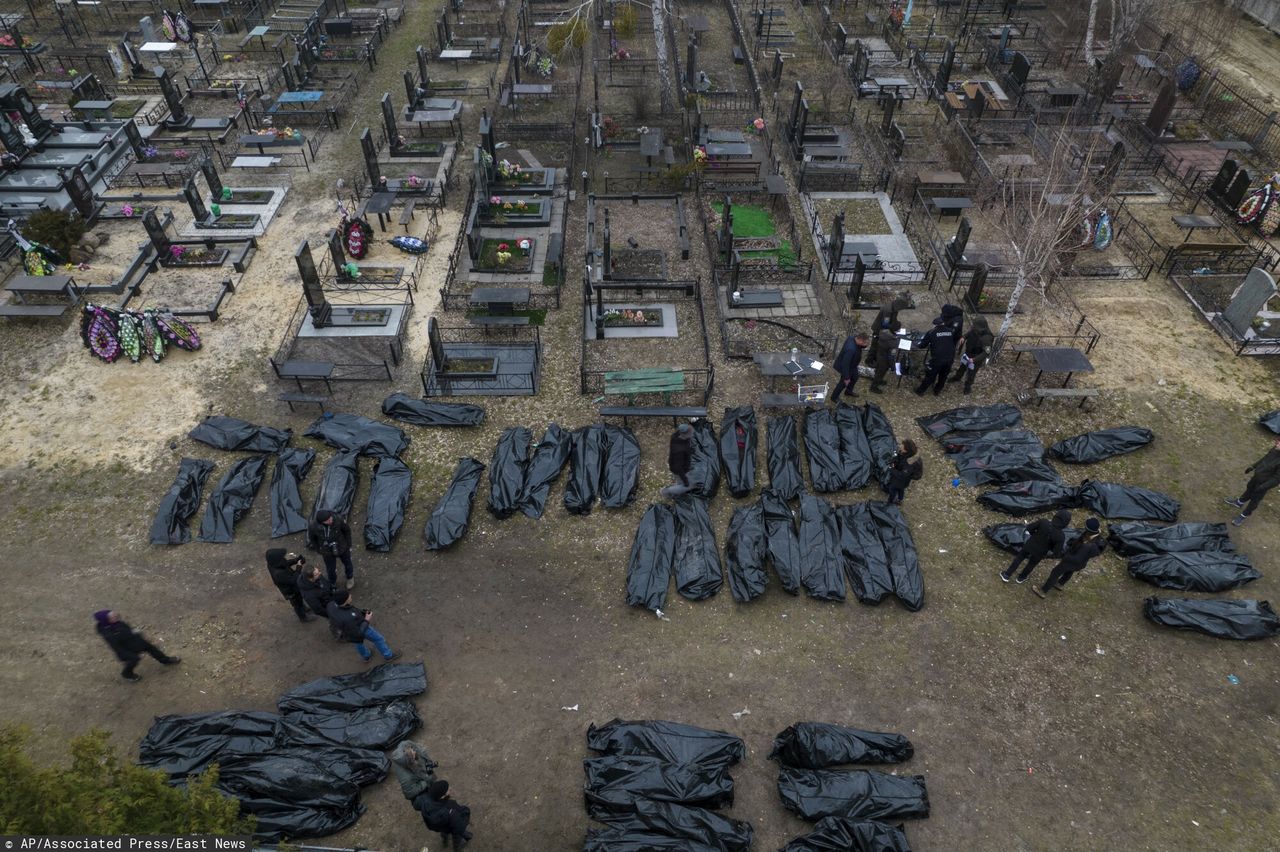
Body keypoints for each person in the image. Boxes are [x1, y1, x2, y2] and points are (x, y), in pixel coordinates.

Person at [94, 610, 180, 682]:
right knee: (133, 660)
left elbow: (127, 629)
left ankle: (165, 660)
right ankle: (127, 674)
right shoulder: (109, 634)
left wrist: (135, 633)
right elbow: (117, 647)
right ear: (106, 620)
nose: (116, 616)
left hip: (136, 641)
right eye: (112, 617)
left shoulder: (117, 623)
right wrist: (128, 655)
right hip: (127, 649)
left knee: (152, 649)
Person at [1033, 519, 1105, 598]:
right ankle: (1060, 584)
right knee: (1069, 572)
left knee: (1055, 573)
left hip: (1071, 561)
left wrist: (1065, 557)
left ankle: (1043, 591)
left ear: (1088, 530)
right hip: (1080, 564)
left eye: (1086, 527)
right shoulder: (1096, 537)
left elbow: (1077, 558)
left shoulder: (1088, 546)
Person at [327, 587, 400, 663]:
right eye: (349, 596)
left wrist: (361, 612)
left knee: (358, 643)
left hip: (348, 633)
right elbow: (359, 632)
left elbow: (349, 610)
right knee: (378, 639)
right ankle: (388, 655)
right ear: (345, 601)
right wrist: (366, 620)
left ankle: (366, 656)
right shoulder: (348, 617)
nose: (351, 596)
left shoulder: (331, 605)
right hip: (360, 628)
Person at [1000, 509, 1071, 584]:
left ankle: (1007, 575)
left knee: (1019, 558)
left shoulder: (1044, 522)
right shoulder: (1061, 536)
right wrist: (1049, 549)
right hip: (1041, 552)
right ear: (1066, 523)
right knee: (1031, 564)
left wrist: (1034, 534)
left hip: (1030, 544)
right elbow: (1056, 551)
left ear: (1056, 516)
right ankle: (1021, 578)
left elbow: (1029, 528)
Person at [1225, 437, 1280, 526]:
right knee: (1249, 489)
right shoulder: (1275, 449)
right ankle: (1239, 502)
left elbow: (1276, 479)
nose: (1276, 443)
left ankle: (1243, 515)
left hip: (1263, 484)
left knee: (1255, 500)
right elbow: (1264, 459)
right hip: (1256, 477)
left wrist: (1262, 487)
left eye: (1279, 443)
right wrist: (1253, 466)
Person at [413, 779, 472, 851]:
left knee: (445, 828)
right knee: (457, 831)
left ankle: (445, 838)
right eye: (448, 789)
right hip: (450, 823)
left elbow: (416, 805)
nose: (450, 789)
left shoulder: (426, 801)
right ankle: (457, 847)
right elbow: (459, 825)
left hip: (437, 825)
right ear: (442, 796)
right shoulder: (450, 810)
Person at [309, 509, 356, 589]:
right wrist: (319, 549)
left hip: (342, 546)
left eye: (330, 518)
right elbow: (312, 539)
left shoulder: (337, 519)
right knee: (330, 569)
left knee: (348, 563)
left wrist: (348, 545)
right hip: (327, 551)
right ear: (321, 522)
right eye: (327, 521)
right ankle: (332, 582)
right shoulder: (314, 527)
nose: (331, 521)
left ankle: (350, 577)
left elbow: (347, 530)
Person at [913, 316, 958, 396]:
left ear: (935, 325)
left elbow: (922, 345)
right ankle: (937, 391)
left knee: (930, 375)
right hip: (950, 358)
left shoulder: (931, 332)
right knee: (943, 376)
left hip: (938, 359)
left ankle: (920, 391)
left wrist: (916, 344)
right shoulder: (950, 331)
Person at [949, 316, 994, 395]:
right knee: (962, 367)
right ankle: (957, 377)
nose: (973, 326)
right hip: (968, 354)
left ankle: (968, 386)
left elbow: (986, 352)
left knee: (971, 373)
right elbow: (968, 334)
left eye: (975, 325)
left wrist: (974, 360)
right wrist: (963, 337)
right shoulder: (975, 329)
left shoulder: (987, 338)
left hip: (976, 358)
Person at [266, 548, 312, 622]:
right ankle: (303, 618)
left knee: (299, 600)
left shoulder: (273, 563)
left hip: (293, 587)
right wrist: (299, 566)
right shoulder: (278, 574)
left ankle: (303, 607)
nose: (283, 558)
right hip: (290, 591)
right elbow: (294, 579)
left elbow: (285, 563)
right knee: (297, 604)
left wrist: (296, 560)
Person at [866, 296, 909, 367]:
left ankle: (875, 358)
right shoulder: (888, 311)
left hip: (883, 329)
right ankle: (869, 361)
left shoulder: (894, 307)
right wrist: (894, 327)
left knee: (878, 345)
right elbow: (885, 324)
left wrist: (896, 324)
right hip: (879, 329)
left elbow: (893, 320)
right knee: (875, 345)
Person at [831, 332, 869, 404]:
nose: (866, 345)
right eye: (865, 343)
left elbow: (860, 346)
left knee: (855, 377)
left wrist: (864, 345)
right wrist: (846, 377)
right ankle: (834, 397)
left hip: (853, 365)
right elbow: (845, 364)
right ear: (860, 340)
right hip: (847, 367)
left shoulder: (852, 337)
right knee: (843, 383)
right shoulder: (850, 350)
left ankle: (848, 391)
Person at [660, 423, 694, 498]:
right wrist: (685, 481)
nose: (691, 434)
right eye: (690, 434)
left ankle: (678, 485)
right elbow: (678, 468)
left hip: (678, 464)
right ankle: (666, 491)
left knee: (680, 482)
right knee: (688, 486)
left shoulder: (676, 436)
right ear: (684, 435)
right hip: (679, 469)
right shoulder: (679, 451)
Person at [885, 440, 923, 504]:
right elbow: (899, 456)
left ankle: (891, 501)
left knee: (892, 489)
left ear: (906, 450)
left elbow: (901, 475)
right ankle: (900, 499)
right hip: (904, 480)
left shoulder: (909, 464)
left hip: (902, 480)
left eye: (902, 447)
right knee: (901, 489)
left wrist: (891, 469)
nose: (900, 447)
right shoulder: (907, 454)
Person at [869, 328, 898, 394]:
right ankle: (873, 387)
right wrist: (893, 367)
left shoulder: (883, 332)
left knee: (878, 370)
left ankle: (878, 380)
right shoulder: (893, 343)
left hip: (879, 355)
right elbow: (891, 357)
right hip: (885, 361)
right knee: (880, 373)